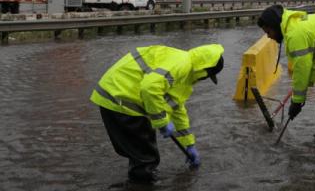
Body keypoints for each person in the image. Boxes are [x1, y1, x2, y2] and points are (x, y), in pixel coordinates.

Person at [90, 44, 225, 183]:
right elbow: (149, 88)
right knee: (146, 158)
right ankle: (144, 184)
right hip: (121, 98)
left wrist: (189, 144)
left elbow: (177, 110)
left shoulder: (184, 71)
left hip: (117, 96)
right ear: (204, 71)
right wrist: (162, 122)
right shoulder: (181, 64)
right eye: (208, 76)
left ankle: (137, 181)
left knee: (140, 152)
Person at [257, 5, 315, 151]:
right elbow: (306, 66)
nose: (268, 36)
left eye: (268, 31)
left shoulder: (295, 34)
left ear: (275, 26)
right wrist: (299, 94)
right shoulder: (294, 25)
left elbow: (302, 68)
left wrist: (297, 101)